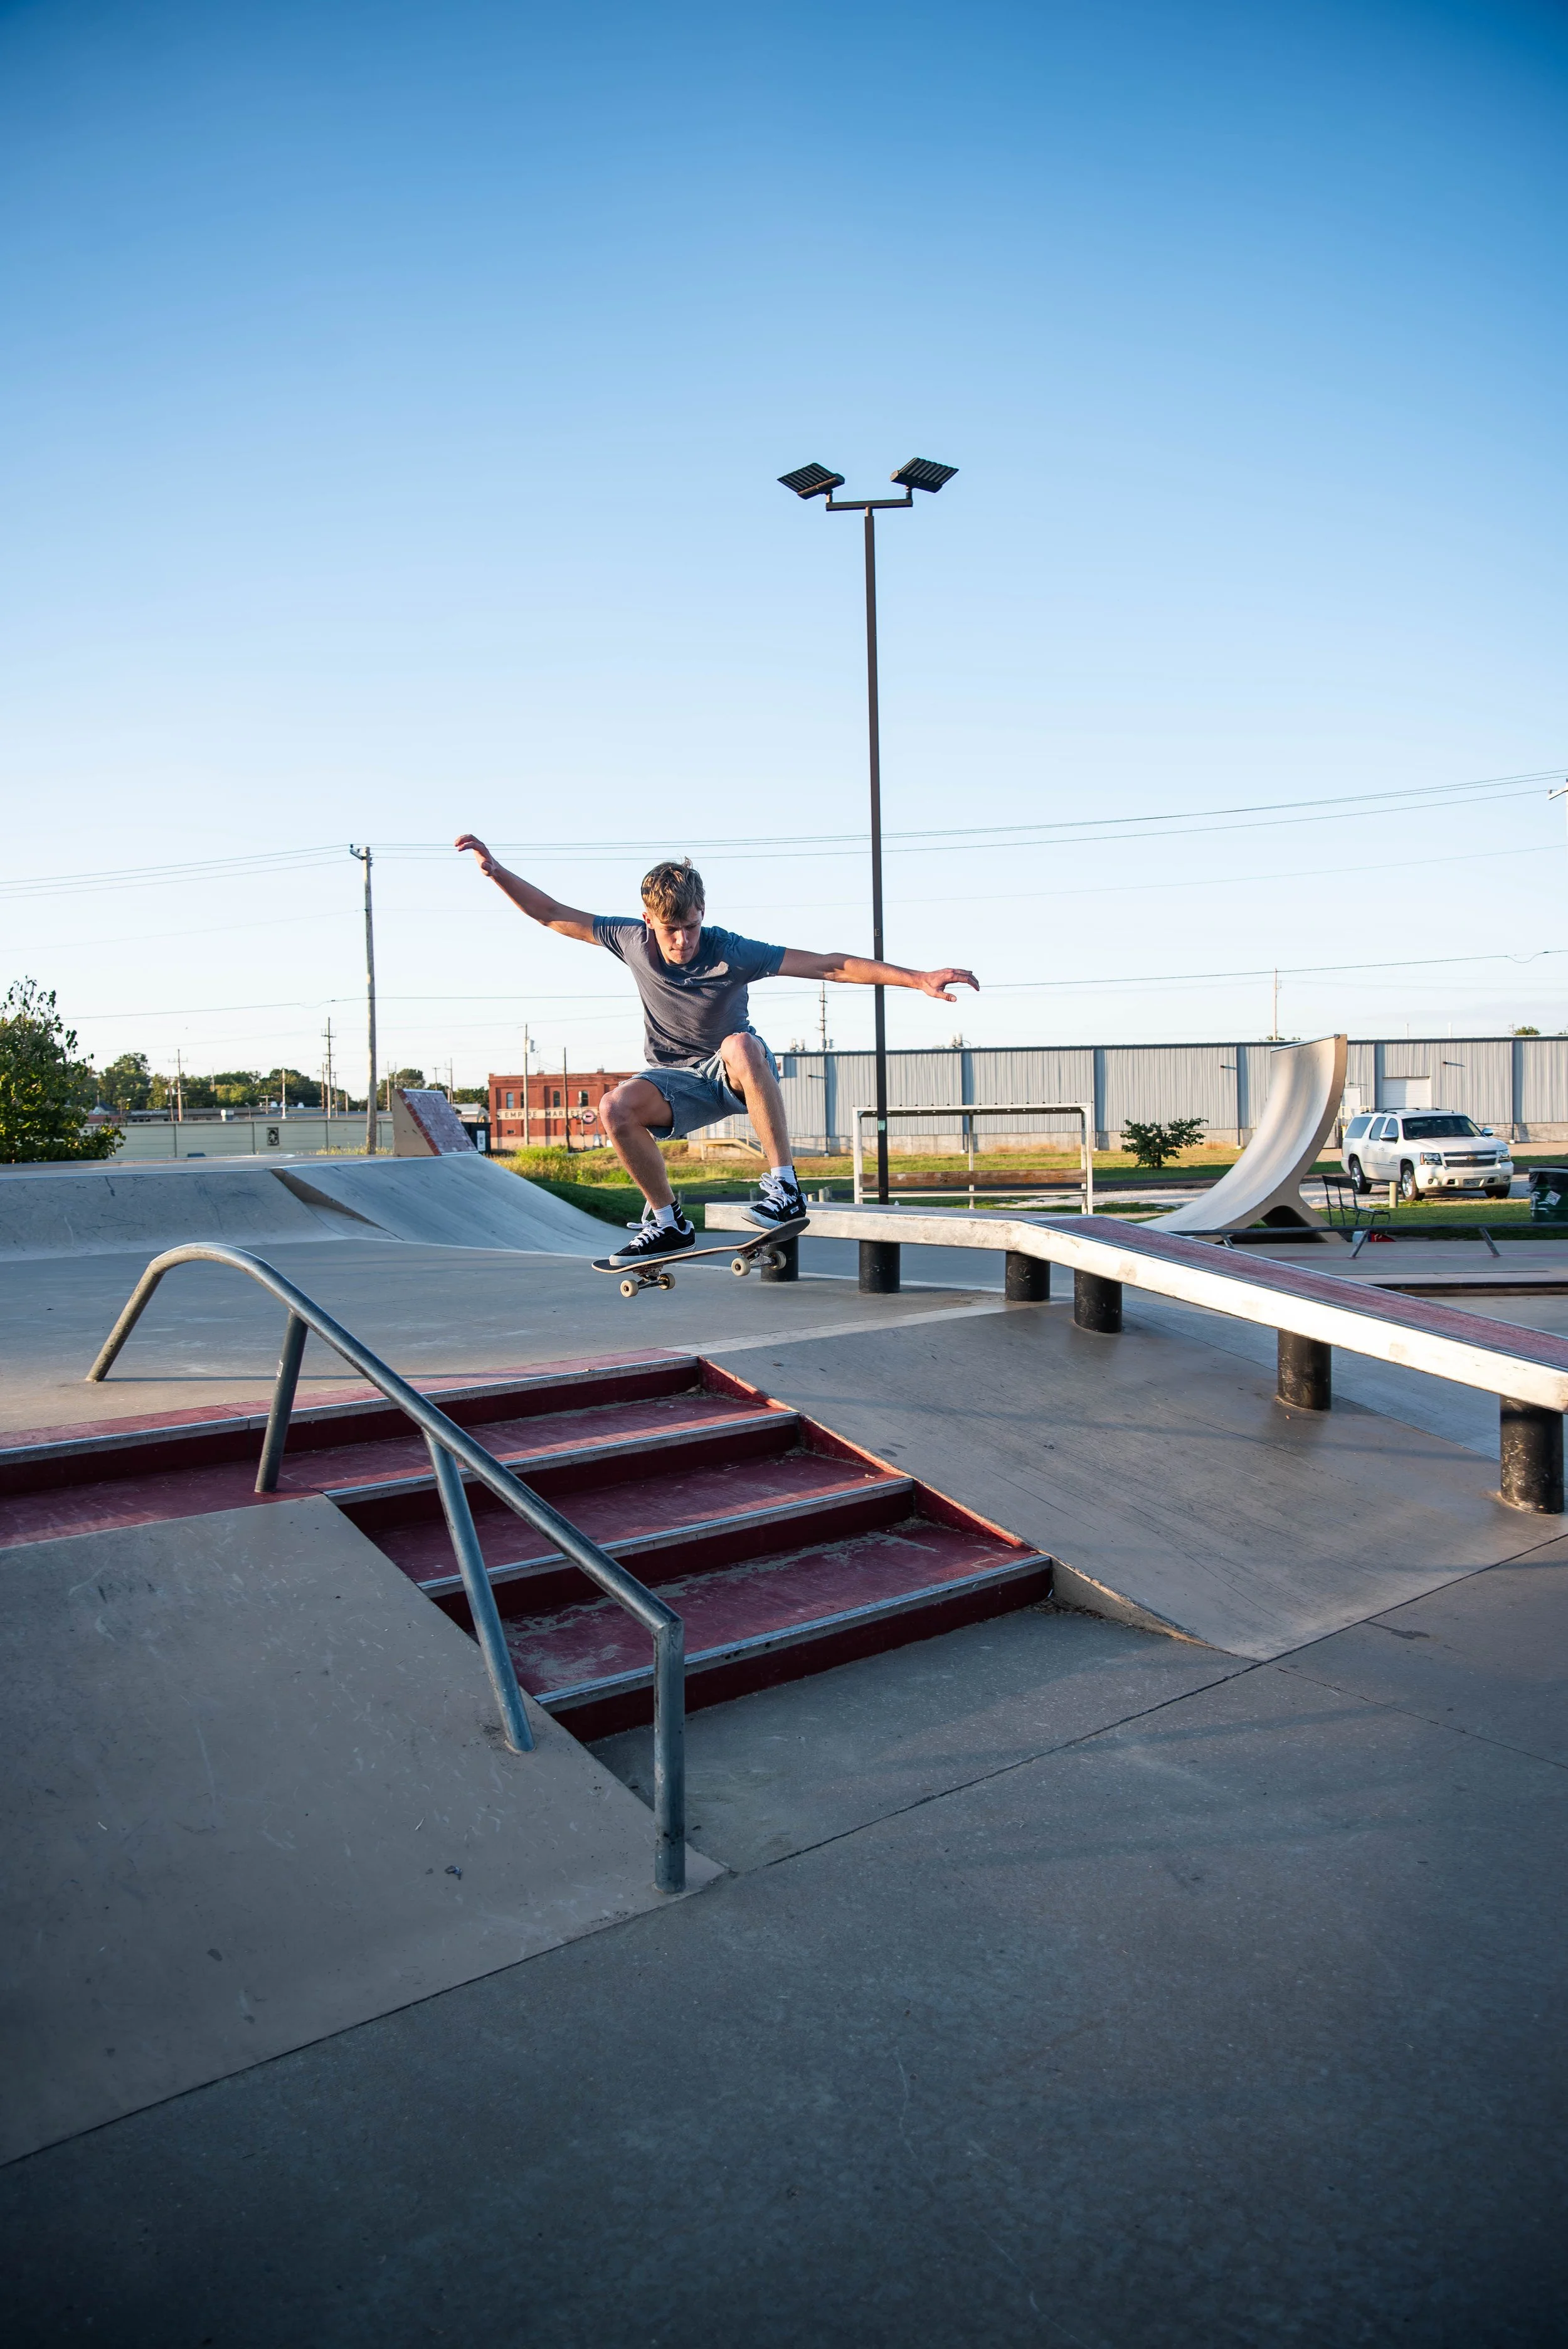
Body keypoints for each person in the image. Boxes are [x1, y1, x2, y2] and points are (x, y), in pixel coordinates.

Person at [456, 836, 979, 1265]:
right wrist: (496, 871)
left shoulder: (731, 949)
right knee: (613, 1107)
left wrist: (916, 978)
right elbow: (551, 913)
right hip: (672, 1080)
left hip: (736, 1072)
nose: (681, 940)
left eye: (690, 927)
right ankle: (666, 1222)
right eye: (670, 930)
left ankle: (785, 1188)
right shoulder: (629, 939)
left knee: (740, 1043)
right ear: (647, 920)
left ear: (702, 913)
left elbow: (829, 965)